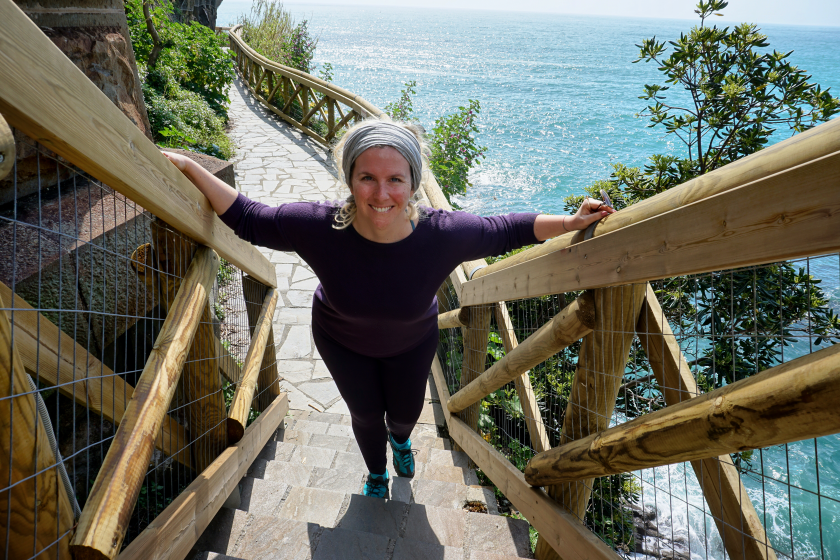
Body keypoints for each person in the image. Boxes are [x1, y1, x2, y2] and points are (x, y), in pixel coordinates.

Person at [163, 119, 613, 498]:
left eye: (395, 179)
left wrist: (570, 222)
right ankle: (376, 473)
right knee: (364, 414)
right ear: (350, 180)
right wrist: (189, 166)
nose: (381, 193)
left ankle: (401, 441)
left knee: (404, 414)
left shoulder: (443, 233)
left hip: (412, 344)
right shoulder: (318, 227)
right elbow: (248, 218)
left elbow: (506, 229)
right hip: (341, 341)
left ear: (414, 184)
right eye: (367, 178)